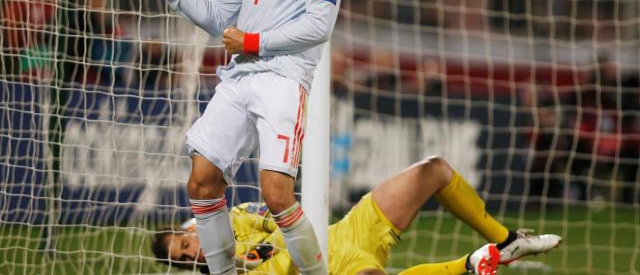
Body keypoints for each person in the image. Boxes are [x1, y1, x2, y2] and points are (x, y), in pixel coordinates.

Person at [144, 0, 341, 274]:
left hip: (284, 77)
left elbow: (319, 25)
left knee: (277, 195)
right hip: (239, 76)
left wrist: (252, 41)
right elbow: (219, 17)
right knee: (201, 182)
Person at [151, 157, 562, 275]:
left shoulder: (234, 219)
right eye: (185, 260)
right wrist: (245, 260)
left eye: (186, 245)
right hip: (336, 267)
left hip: (347, 230)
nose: (194, 254)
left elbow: (277, 218)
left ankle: (507, 241)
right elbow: (284, 262)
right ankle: (469, 266)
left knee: (433, 170)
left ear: (189, 230)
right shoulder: (228, 274)